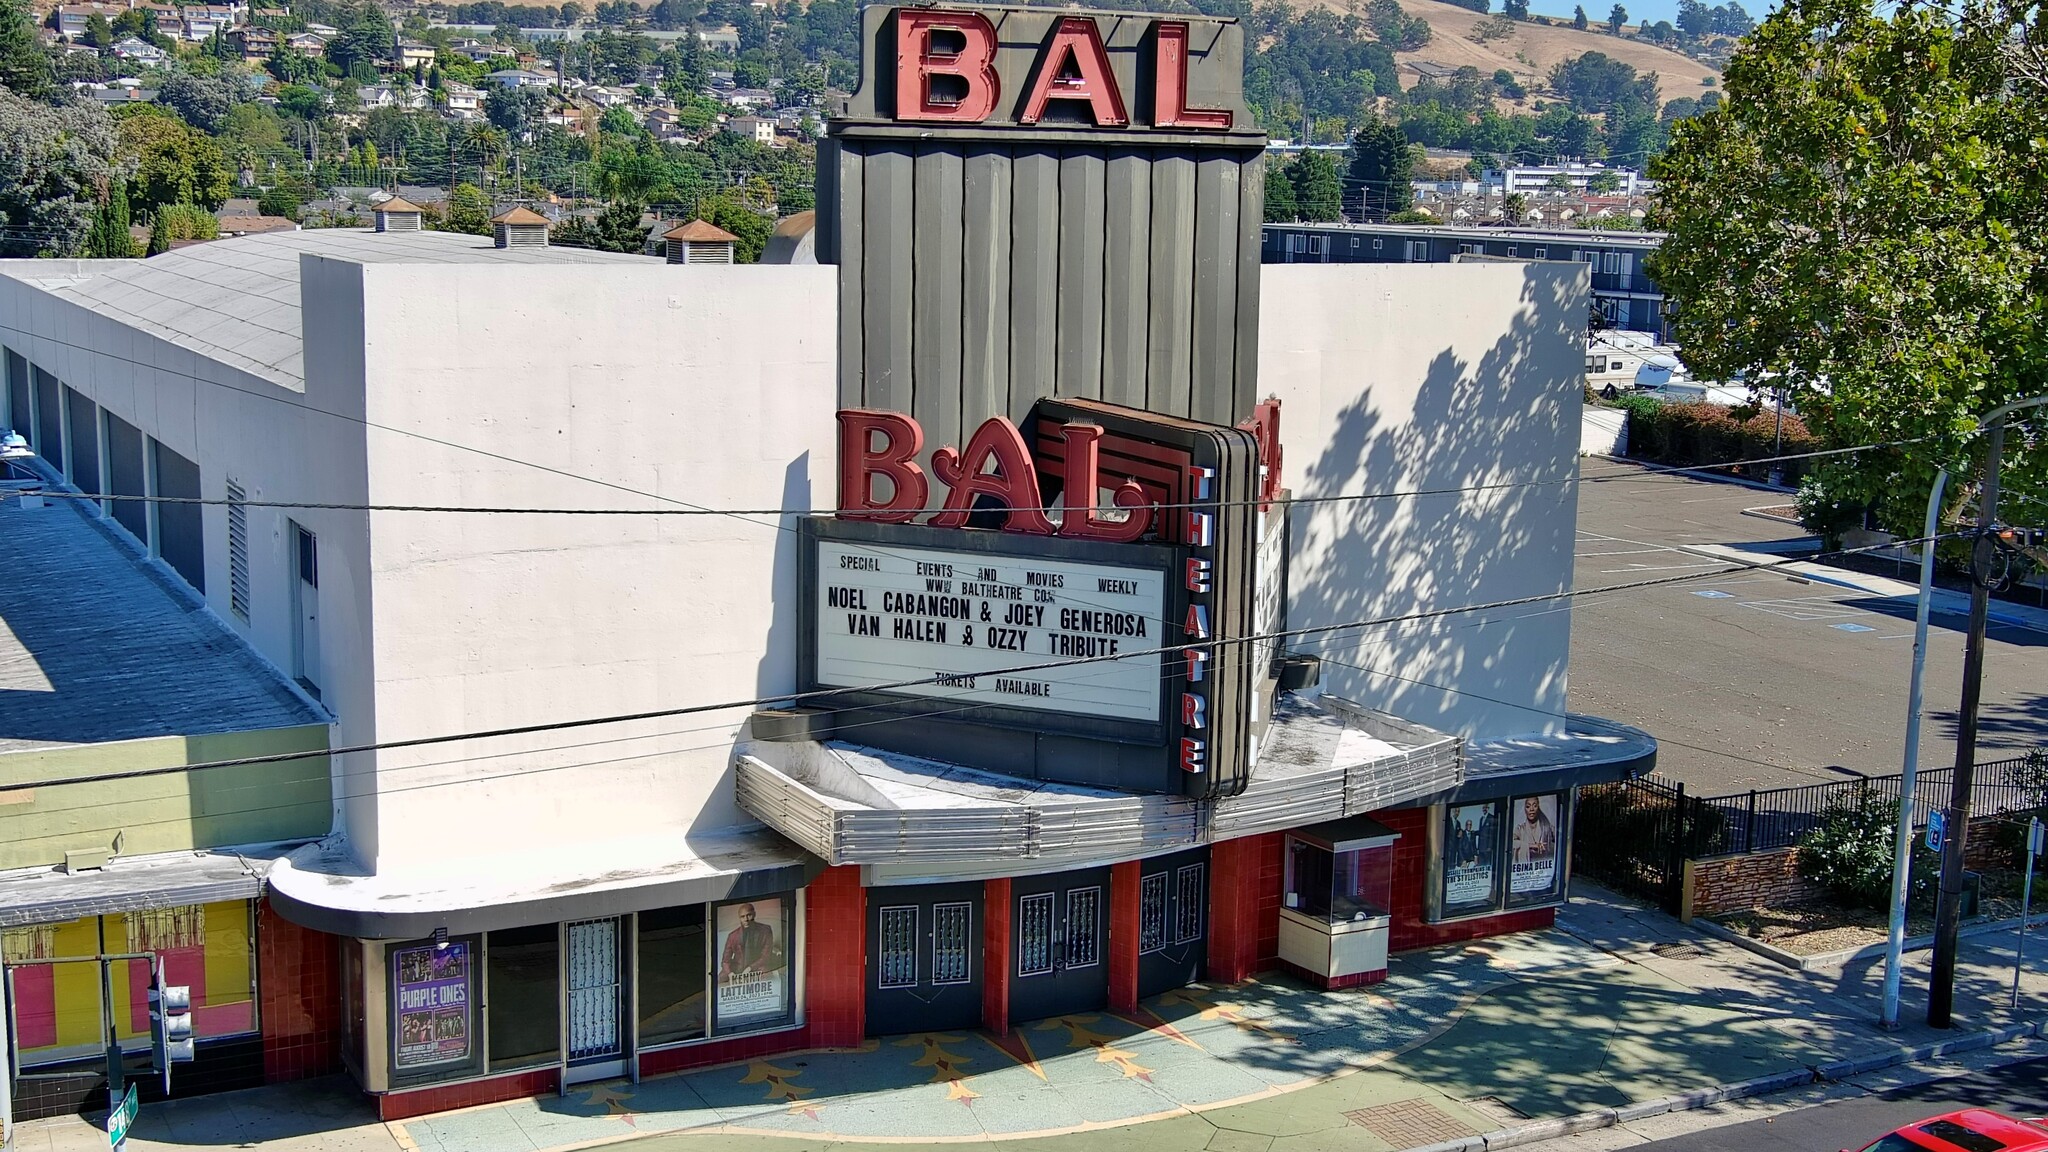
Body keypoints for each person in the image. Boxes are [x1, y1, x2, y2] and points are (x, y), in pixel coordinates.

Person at [719, 902, 780, 980]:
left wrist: (750, 968)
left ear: (754, 914)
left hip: (757, 966)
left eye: (749, 915)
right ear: (739, 918)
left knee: (768, 976)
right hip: (737, 968)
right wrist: (730, 973)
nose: (746, 919)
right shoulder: (732, 936)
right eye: (742, 917)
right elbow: (725, 961)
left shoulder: (765, 930)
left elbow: (765, 956)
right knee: (720, 979)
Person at [1512, 796, 1556, 864]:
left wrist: (1548, 847)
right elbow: (1511, 843)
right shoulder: (1520, 829)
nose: (1531, 809)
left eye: (1535, 806)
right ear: (1525, 809)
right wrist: (1531, 846)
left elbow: (1560, 842)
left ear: (1538, 808)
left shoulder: (1548, 828)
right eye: (1528, 806)